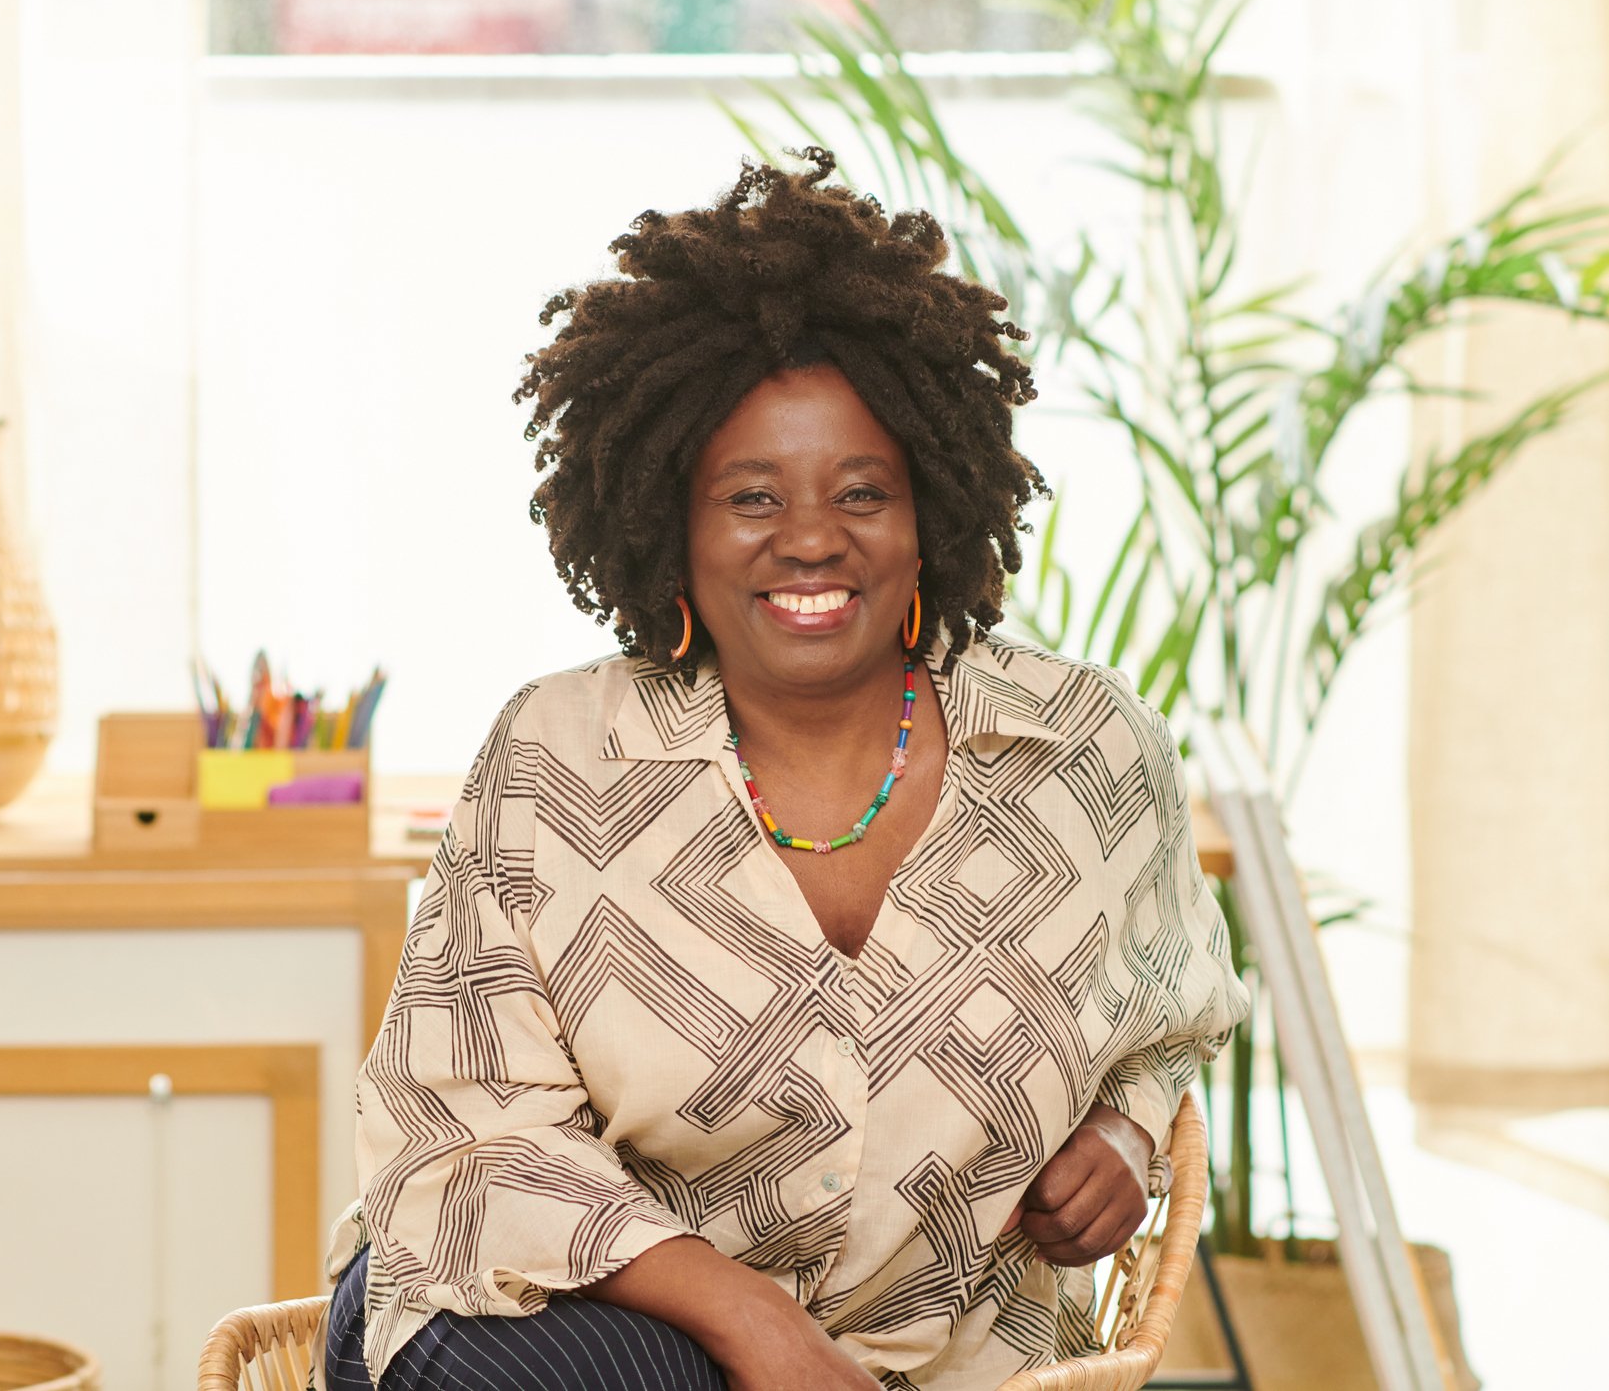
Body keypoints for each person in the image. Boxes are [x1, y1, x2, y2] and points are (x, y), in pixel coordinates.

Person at [320, 148, 1252, 1391]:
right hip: (535, 1322)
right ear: (669, 527)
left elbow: (1178, 1010)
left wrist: (1130, 1137)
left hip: (945, 1355)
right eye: (750, 497)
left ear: (933, 514)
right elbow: (469, 1133)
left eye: (861, 490)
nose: (811, 538)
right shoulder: (560, 759)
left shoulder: (1082, 749)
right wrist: (755, 1327)